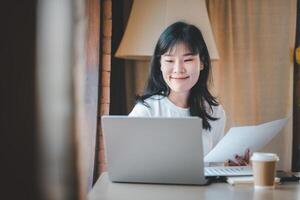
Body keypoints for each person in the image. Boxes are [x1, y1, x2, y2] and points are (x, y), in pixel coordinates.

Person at [129, 21, 249, 166]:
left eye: (188, 59)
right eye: (169, 60)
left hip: (202, 189)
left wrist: (232, 168)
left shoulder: (215, 112)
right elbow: (131, 166)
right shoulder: (146, 111)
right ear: (160, 64)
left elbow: (214, 169)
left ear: (202, 62)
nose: (178, 69)